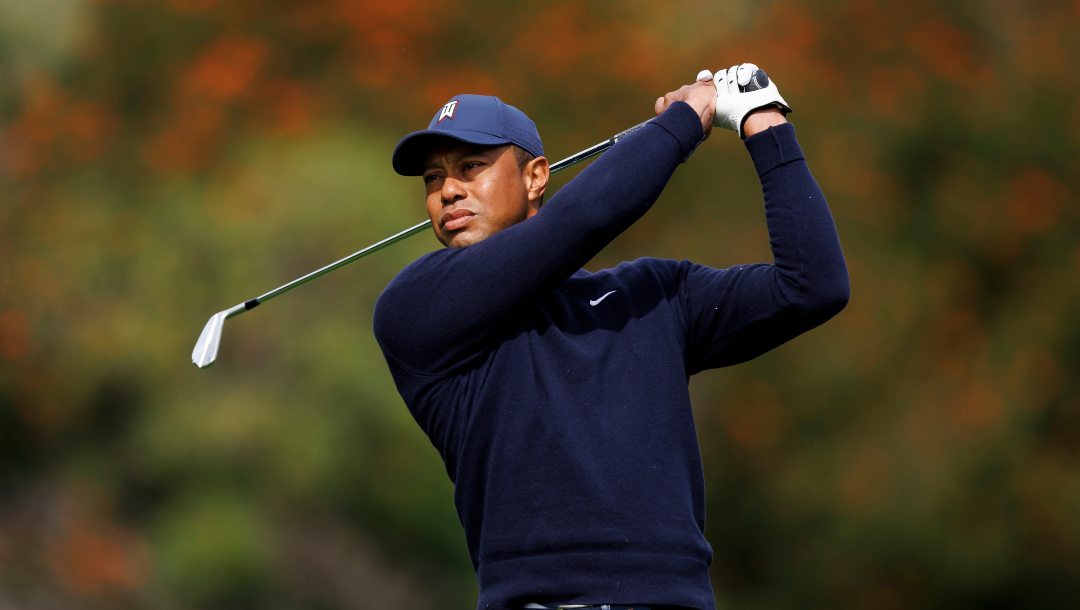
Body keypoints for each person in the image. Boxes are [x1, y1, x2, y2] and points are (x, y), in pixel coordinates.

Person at [373, 64, 849, 610]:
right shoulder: (417, 308)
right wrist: (685, 120)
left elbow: (812, 286)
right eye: (433, 179)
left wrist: (763, 124)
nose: (448, 191)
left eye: (471, 166)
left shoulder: (654, 294)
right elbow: (580, 220)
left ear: (535, 177)